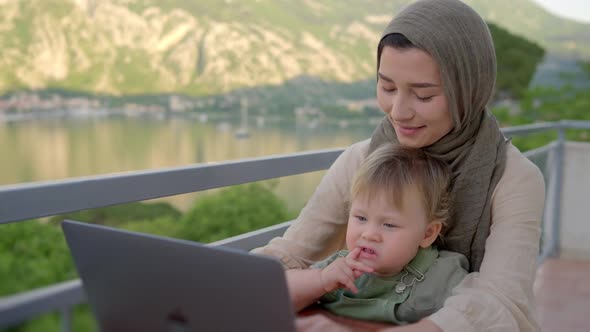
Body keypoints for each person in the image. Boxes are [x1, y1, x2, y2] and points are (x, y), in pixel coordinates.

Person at [252, 0, 546, 330]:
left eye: (423, 95)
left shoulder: (514, 180)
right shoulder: (362, 161)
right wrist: (229, 284)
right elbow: (292, 254)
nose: (398, 111)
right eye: (387, 87)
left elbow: (499, 302)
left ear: (469, 91)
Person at [286, 144, 469, 325]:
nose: (369, 234)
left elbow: (476, 314)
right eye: (361, 218)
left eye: (389, 224)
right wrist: (321, 280)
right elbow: (279, 295)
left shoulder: (443, 274)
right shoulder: (338, 267)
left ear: (427, 234)